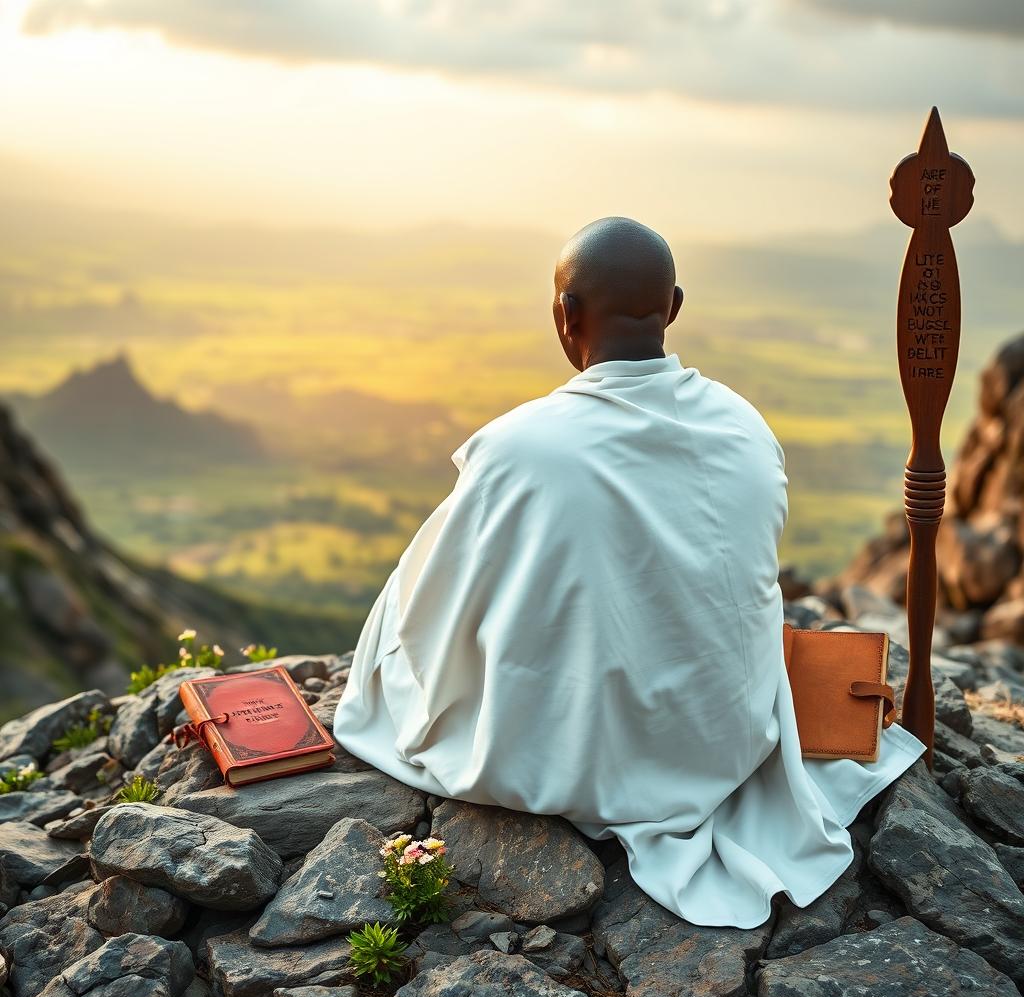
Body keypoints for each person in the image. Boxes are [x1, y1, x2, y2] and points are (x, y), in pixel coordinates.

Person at [332, 216, 926, 928]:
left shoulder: (520, 449)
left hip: (578, 756)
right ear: (673, 307)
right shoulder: (745, 425)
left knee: (416, 580)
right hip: (724, 738)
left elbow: (438, 613)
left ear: (564, 314)